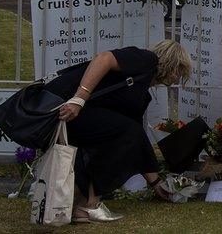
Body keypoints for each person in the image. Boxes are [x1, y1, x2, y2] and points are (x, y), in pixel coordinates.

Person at [45, 39, 192, 223]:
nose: (179, 77)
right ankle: (90, 205)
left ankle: (80, 208)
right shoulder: (146, 60)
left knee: (125, 136)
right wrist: (80, 98)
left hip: (78, 116)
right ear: (172, 64)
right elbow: (103, 59)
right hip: (67, 108)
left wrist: (155, 183)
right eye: (180, 70)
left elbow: (137, 138)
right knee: (127, 133)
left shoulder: (141, 93)